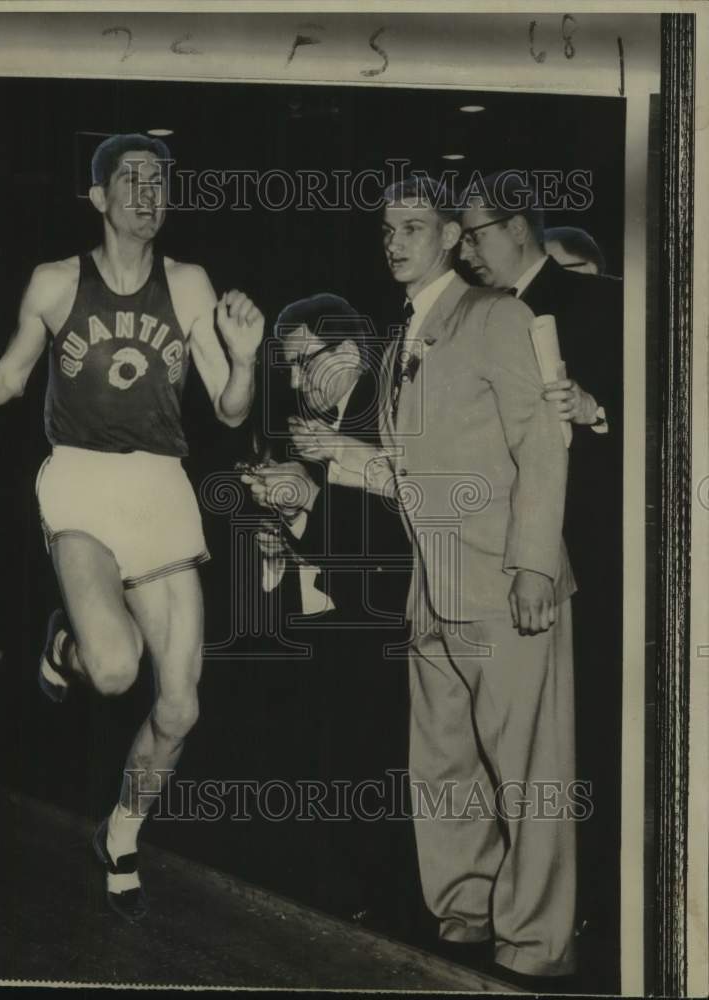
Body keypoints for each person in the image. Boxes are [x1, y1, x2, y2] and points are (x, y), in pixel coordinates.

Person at [0, 133, 264, 923]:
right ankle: (68, 636)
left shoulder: (191, 283)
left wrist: (244, 359)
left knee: (179, 709)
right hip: (81, 484)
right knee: (109, 672)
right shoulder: (58, 283)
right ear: (97, 198)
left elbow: (231, 410)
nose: (147, 189)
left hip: (161, 488)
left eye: (159, 178)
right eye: (129, 179)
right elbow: (9, 379)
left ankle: (122, 829)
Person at [291, 176, 577, 981]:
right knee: (445, 768)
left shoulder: (495, 317)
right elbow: (414, 472)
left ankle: (535, 949)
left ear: (452, 236)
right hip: (433, 589)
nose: (394, 241)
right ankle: (463, 919)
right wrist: (341, 462)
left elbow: (540, 448)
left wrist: (530, 566)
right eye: (387, 228)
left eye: (413, 226)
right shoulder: (400, 340)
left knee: (527, 775)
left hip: (503, 581)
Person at [459, 173, 623, 964]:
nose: (466, 249)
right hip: (511, 552)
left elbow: (667, 413)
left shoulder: (601, 302)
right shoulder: (472, 316)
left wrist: (596, 411)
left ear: (518, 227)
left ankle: (585, 911)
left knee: (583, 738)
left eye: (476, 232)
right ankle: (528, 907)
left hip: (590, 543)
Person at [243, 294, 414, 922]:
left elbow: (393, 548)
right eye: (286, 367)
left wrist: (302, 511)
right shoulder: (298, 424)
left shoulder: (387, 416)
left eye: (302, 362)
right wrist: (280, 536)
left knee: (368, 774)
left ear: (347, 353)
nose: (293, 380)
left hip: (381, 636)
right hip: (320, 637)